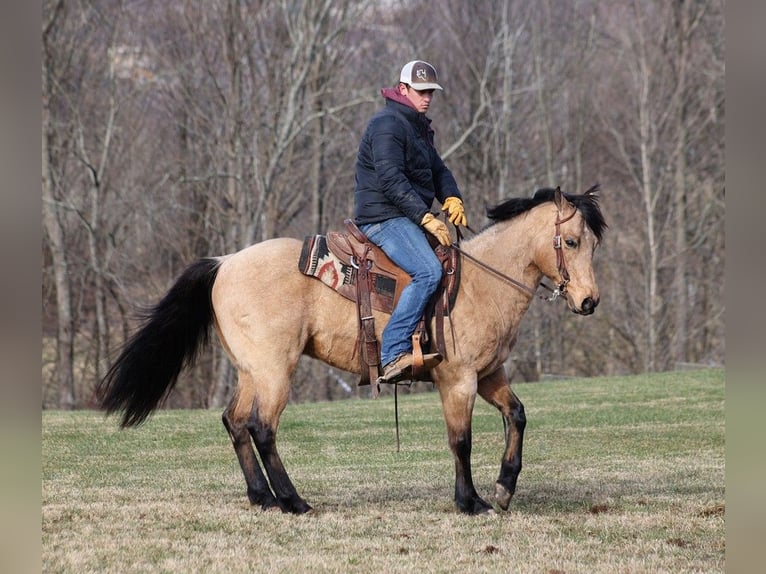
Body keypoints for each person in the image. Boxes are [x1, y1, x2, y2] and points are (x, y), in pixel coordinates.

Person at [353, 59, 468, 382]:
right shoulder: (387, 124)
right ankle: (393, 353)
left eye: (430, 91)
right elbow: (390, 179)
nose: (427, 97)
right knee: (429, 272)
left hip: (406, 216)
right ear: (402, 89)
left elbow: (439, 170)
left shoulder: (417, 126)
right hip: (382, 217)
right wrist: (426, 217)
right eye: (421, 91)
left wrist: (452, 196)